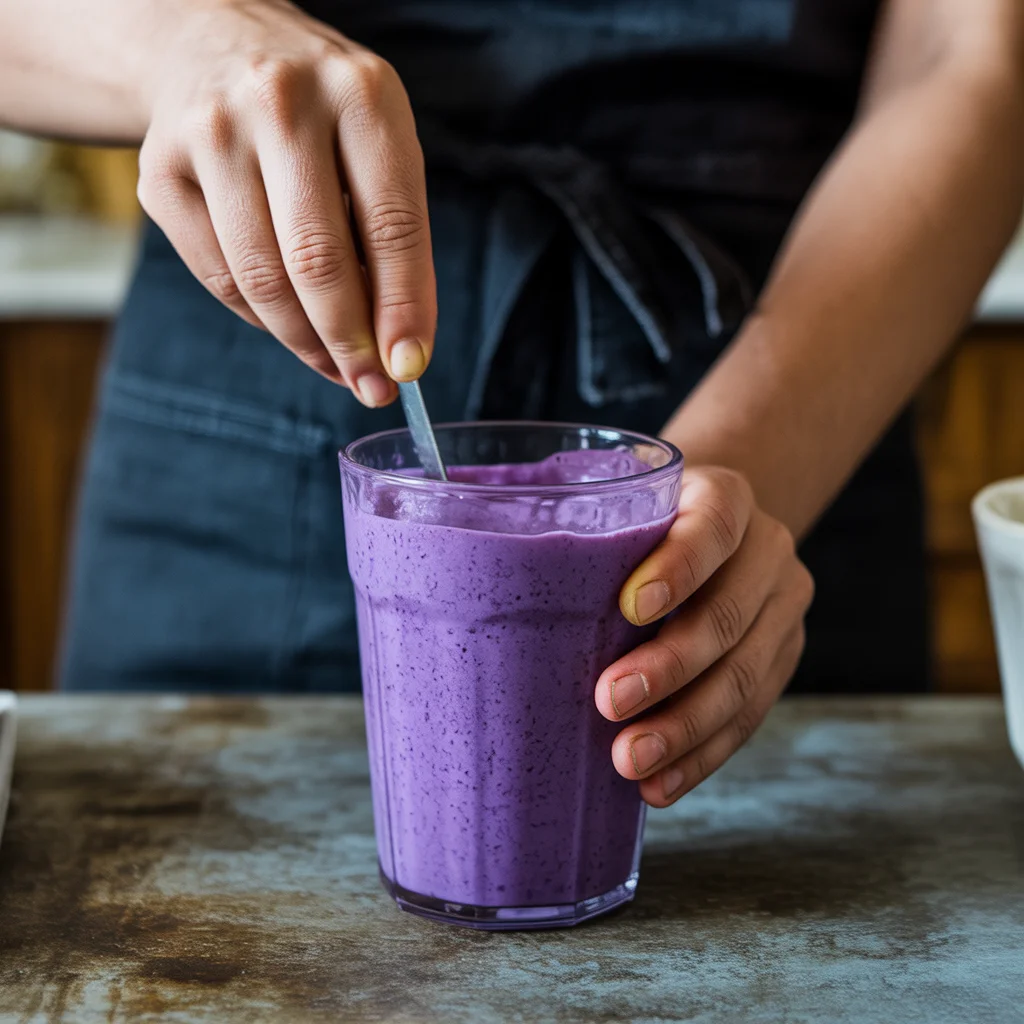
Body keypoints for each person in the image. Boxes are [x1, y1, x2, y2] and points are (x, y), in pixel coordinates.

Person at [1, 0, 1021, 806]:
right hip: (252, 406)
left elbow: (966, 56)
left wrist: (738, 485)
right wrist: (181, 38)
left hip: (801, 380)